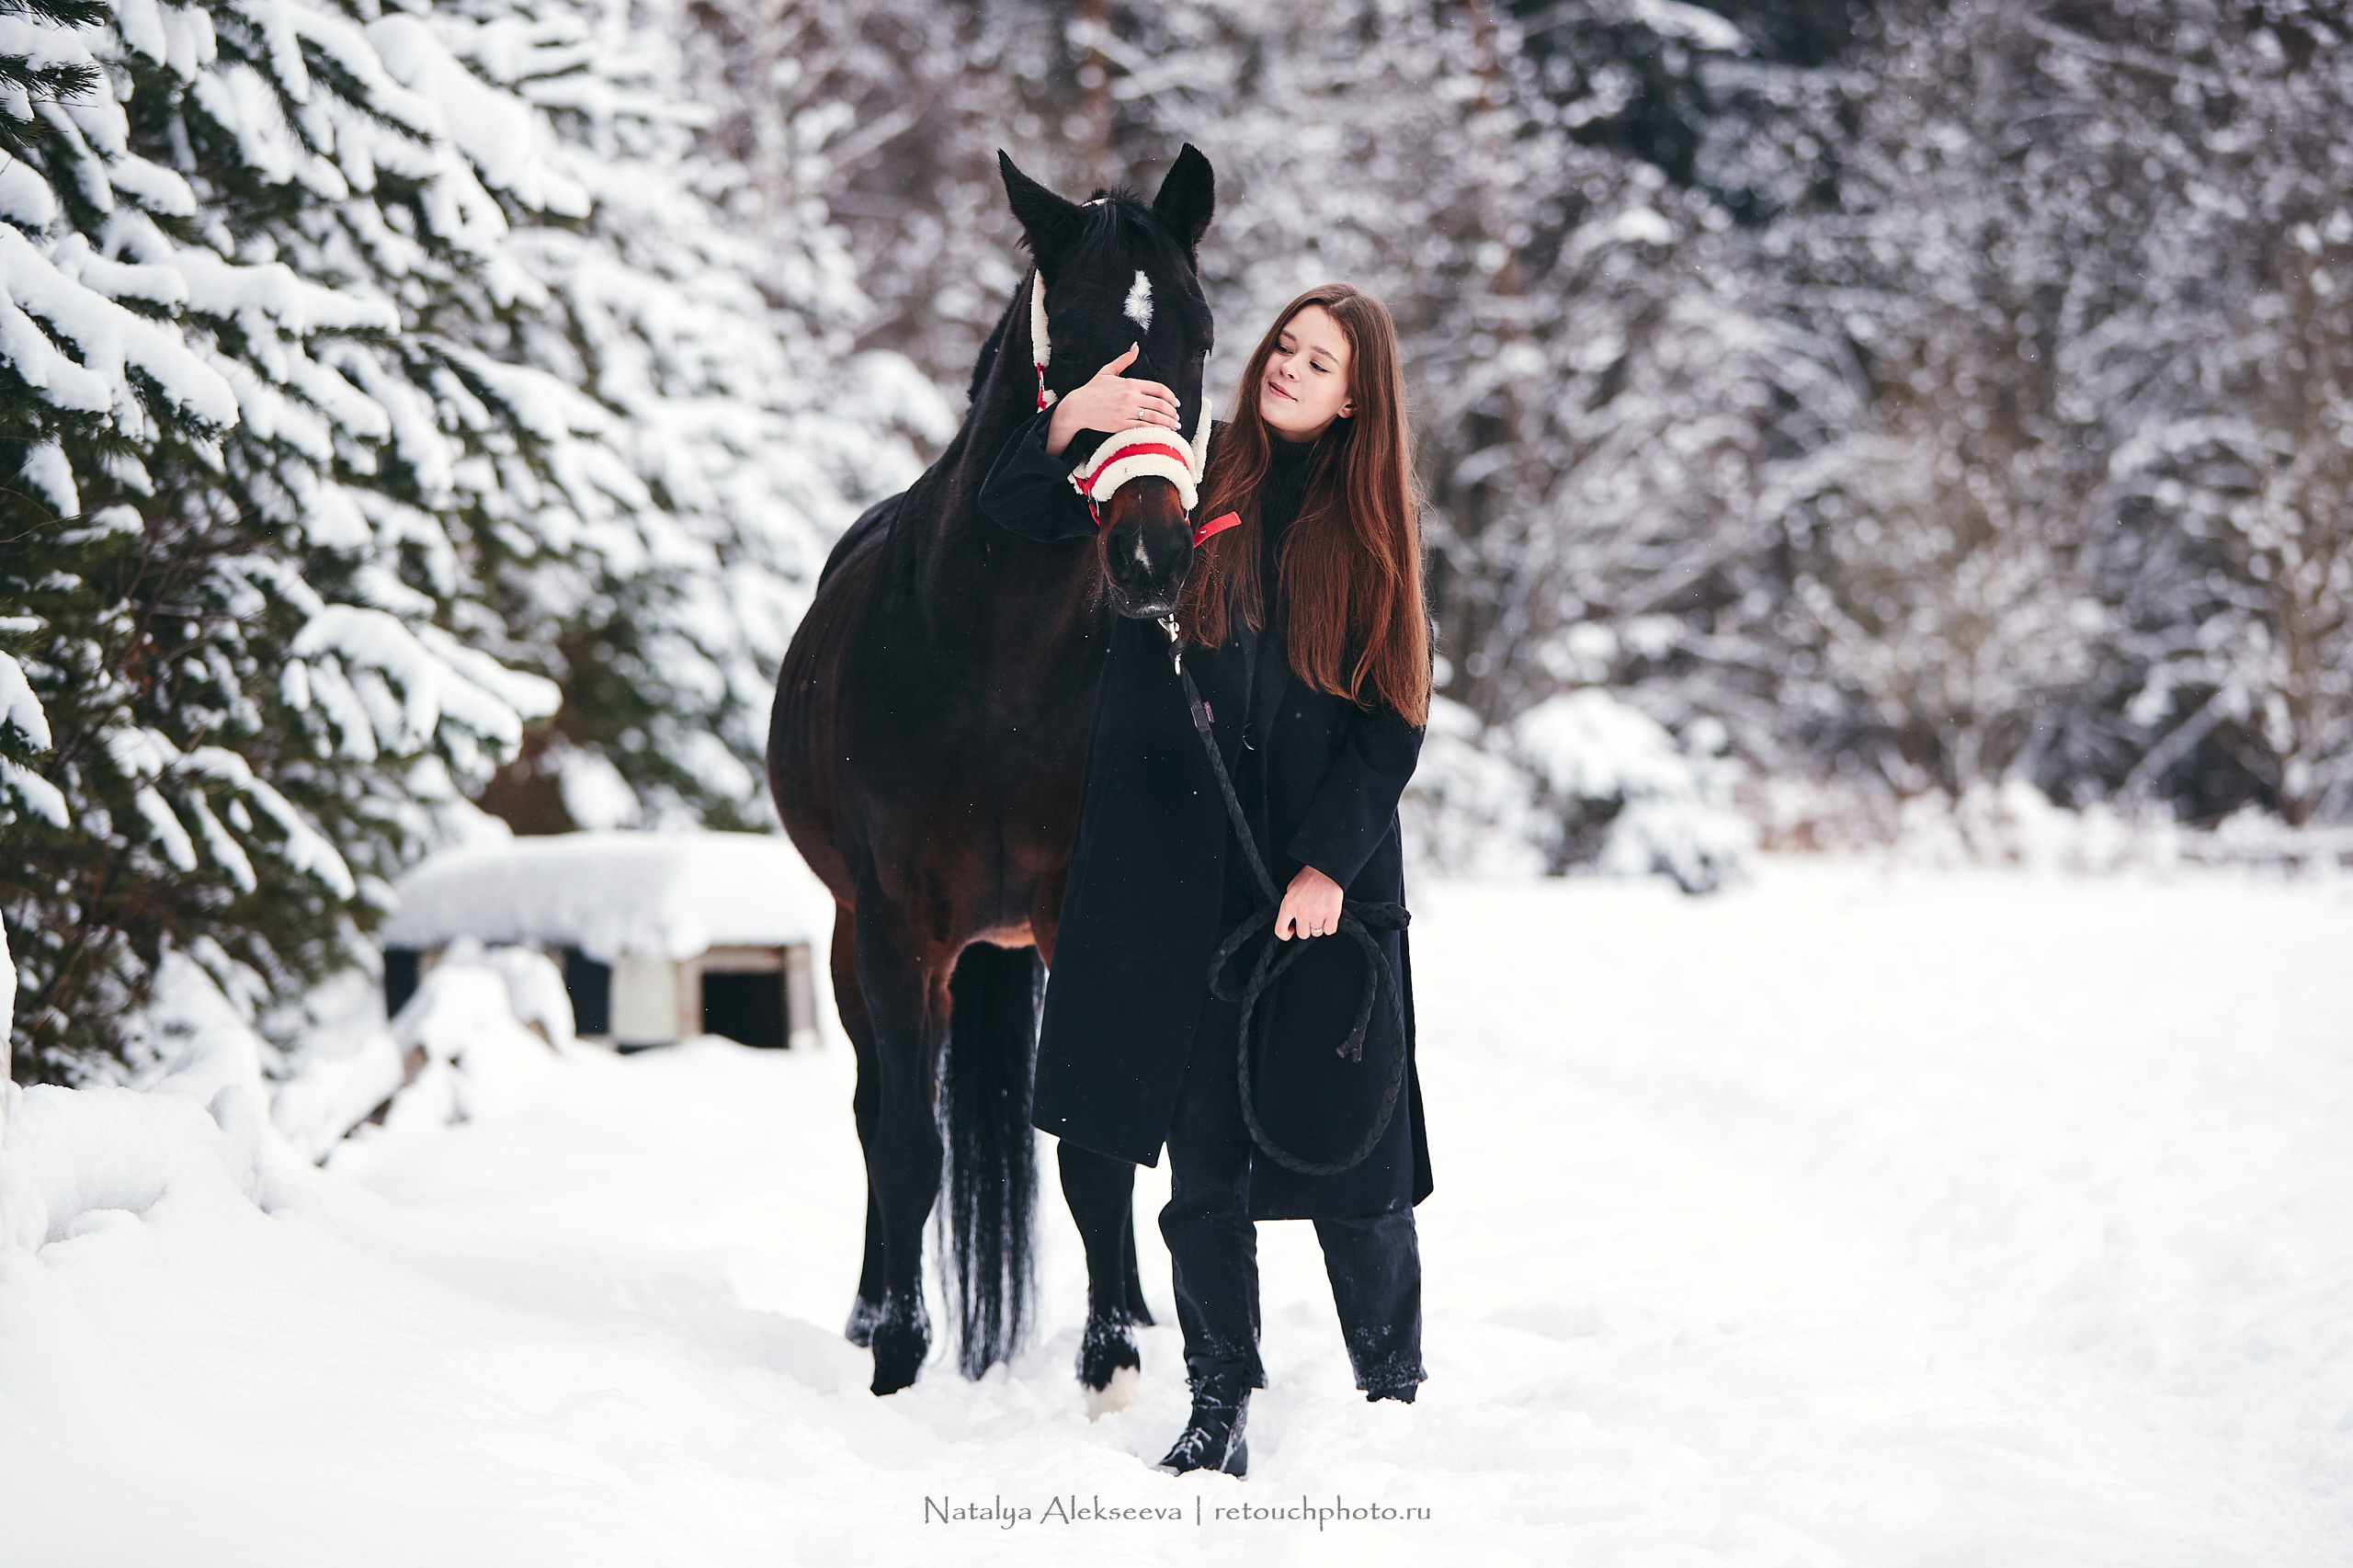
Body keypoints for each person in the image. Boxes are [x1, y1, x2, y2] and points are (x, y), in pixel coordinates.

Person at [979, 284, 1433, 1479]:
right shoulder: (1186, 464)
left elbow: (1393, 724)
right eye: (1283, 344)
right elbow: (1016, 505)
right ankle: (1218, 1397)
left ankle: (1393, 1385)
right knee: (1204, 1160)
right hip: (1186, 885)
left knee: (1353, 1154)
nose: (1286, 366)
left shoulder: (1374, 533)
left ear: (1355, 400)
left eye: (1317, 360)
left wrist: (1331, 861)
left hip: (1325, 894)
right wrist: (1071, 411)